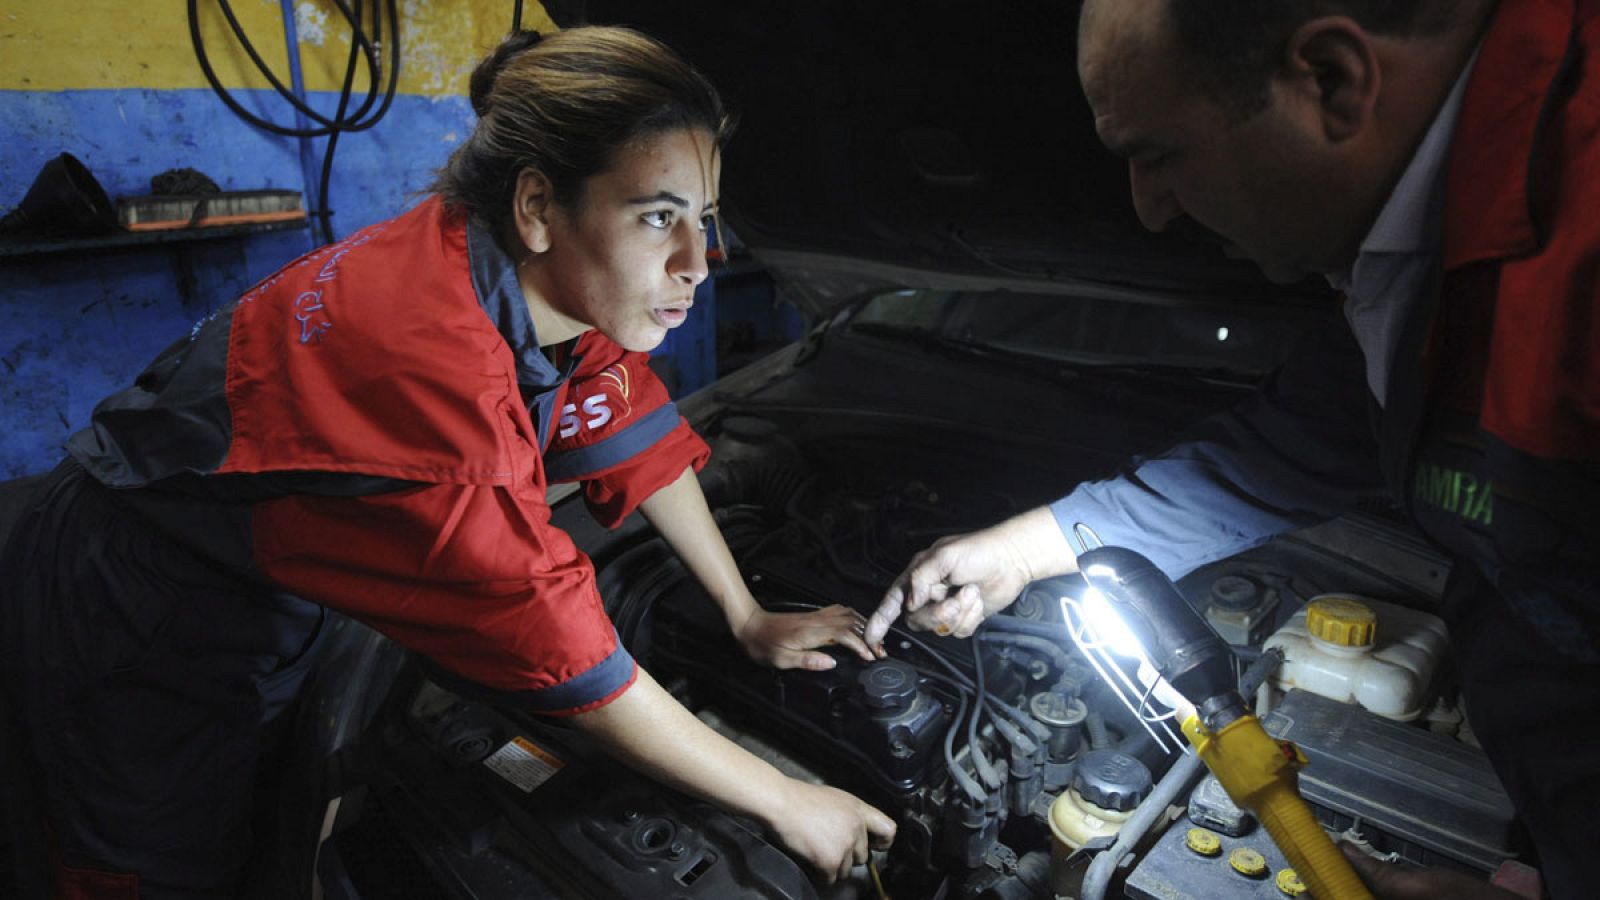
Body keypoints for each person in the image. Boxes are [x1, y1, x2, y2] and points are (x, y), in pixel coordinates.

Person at [0, 26, 892, 898]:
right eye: (659, 217)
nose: (701, 262)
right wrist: (787, 801)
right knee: (152, 851)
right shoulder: (438, 393)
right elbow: (565, 655)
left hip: (261, 558)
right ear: (540, 206)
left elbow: (636, 434)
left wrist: (743, 614)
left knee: (263, 800)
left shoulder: (512, 264)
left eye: (704, 217)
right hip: (142, 595)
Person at [864, 0, 1598, 897]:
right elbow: (1292, 448)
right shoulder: (1423, 251)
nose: (1151, 210)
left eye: (1159, 153)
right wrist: (1027, 548)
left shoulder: (1573, 271)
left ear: (1330, 79)